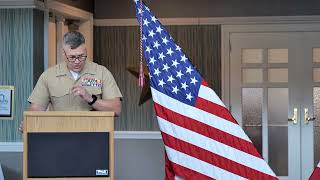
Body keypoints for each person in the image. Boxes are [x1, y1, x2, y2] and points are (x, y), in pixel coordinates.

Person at [19, 31, 122, 131]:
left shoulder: (101, 73)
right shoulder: (49, 76)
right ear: (63, 53)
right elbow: (36, 109)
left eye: (81, 56)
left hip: (94, 136)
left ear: (86, 51)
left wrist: (91, 99)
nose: (77, 61)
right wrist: (27, 122)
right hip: (60, 137)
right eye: (72, 57)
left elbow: (116, 109)